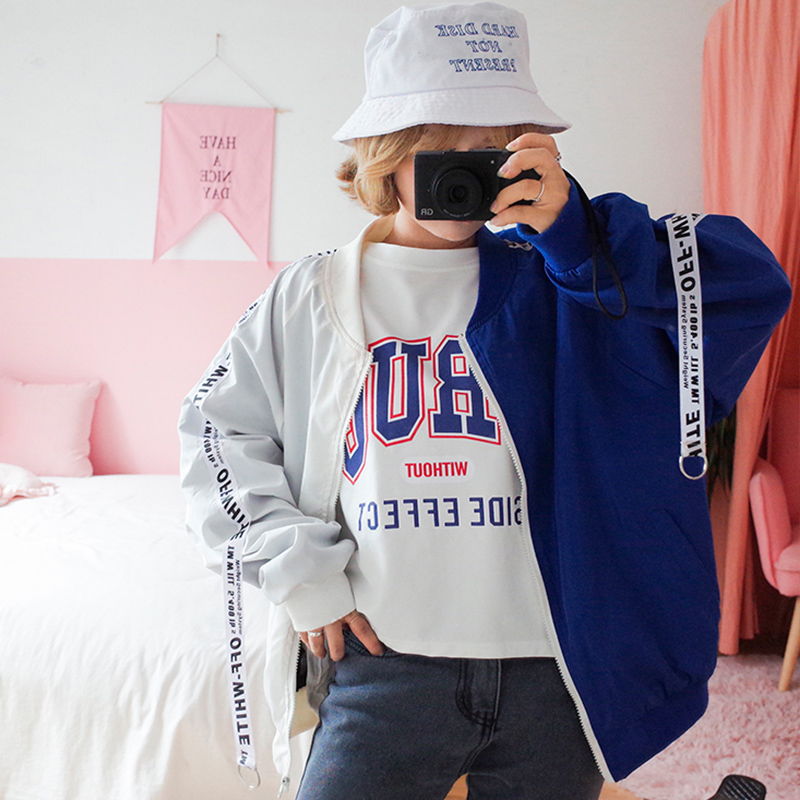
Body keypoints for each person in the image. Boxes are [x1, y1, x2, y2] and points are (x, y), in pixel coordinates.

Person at [178, 4, 791, 799]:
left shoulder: (568, 276)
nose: (470, 178)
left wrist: (579, 235)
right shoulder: (313, 293)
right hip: (384, 664)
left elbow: (749, 284)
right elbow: (217, 434)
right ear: (387, 153)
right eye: (446, 151)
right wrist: (301, 573)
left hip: (550, 672)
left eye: (496, 151)